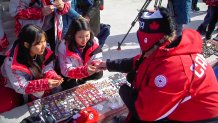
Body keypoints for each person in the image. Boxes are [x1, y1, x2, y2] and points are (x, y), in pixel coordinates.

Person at [97, 7, 218, 122]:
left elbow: (145, 112)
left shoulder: (174, 69)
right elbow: (139, 61)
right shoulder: (170, 48)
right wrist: (107, 64)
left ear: (155, 44)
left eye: (144, 48)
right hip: (184, 105)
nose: (142, 51)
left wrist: (124, 89)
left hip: (199, 118)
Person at [1, 24, 63, 102]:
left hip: (37, 82)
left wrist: (52, 75)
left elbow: (47, 66)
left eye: (44, 41)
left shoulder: (44, 48)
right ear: (27, 45)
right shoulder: (12, 63)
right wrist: (43, 84)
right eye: (38, 43)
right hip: (16, 89)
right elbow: (21, 86)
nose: (43, 45)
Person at [58, 18, 103, 90]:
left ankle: (82, 80)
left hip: (86, 69)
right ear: (73, 35)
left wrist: (96, 64)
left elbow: (97, 57)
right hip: (72, 73)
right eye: (80, 37)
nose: (84, 40)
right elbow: (65, 70)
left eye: (87, 35)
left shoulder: (94, 40)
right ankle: (79, 80)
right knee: (69, 85)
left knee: (99, 73)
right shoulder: (63, 46)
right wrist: (83, 71)